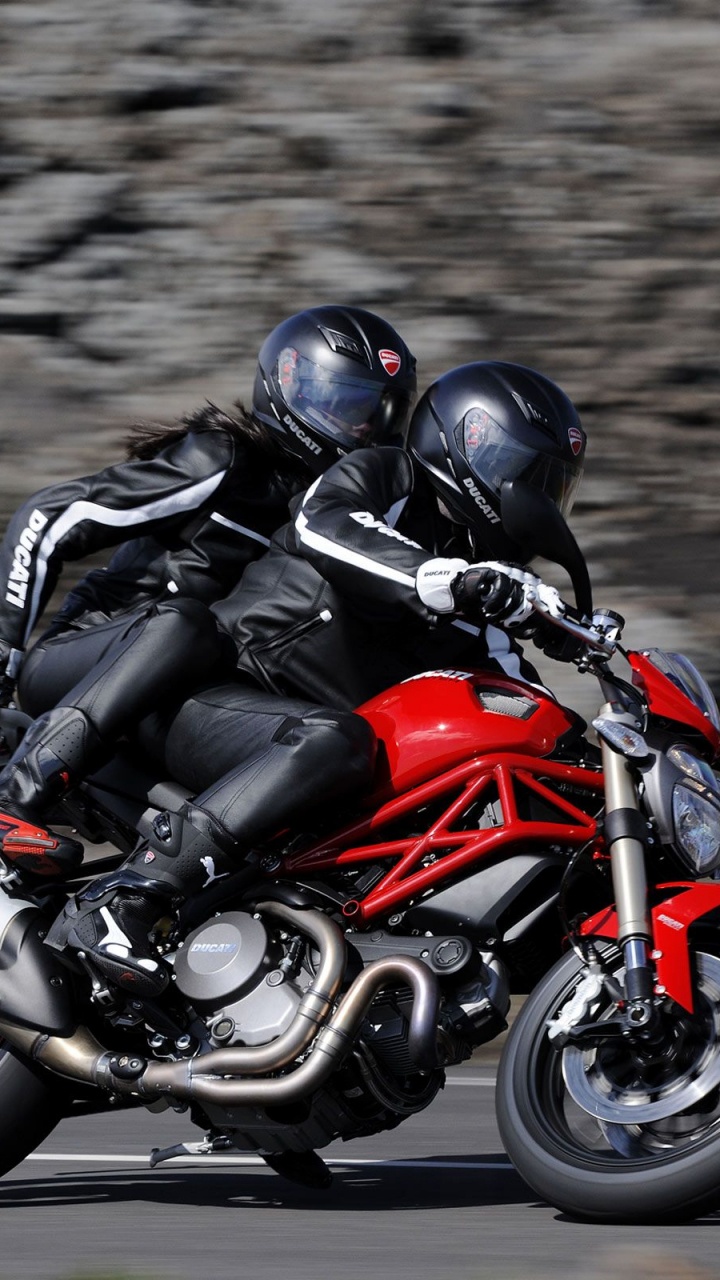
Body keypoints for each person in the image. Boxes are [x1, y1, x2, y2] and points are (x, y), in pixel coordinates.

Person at [49, 359, 587, 997]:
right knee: (338, 737)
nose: (534, 493)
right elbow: (324, 527)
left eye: (552, 484)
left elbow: (525, 708)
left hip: (284, 760)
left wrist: (607, 768)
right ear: (466, 442)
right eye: (523, 470)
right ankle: (128, 897)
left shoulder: (482, 597)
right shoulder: (388, 478)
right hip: (203, 698)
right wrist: (438, 579)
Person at [0, 306, 417, 884]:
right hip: (86, 661)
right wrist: (5, 650)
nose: (360, 428)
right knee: (189, 624)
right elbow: (47, 518)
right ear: (287, 381)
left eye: (374, 411)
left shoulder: (342, 513)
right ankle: (14, 796)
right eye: (343, 403)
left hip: (172, 700)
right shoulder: (226, 460)